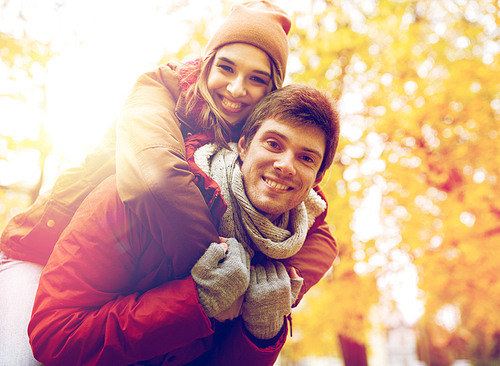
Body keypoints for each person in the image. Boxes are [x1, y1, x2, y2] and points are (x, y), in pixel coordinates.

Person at [1, 1, 336, 364]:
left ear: (270, 93)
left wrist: (269, 299)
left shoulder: (258, 142)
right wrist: (220, 275)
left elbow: (312, 214)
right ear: (207, 64)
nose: (238, 89)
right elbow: (154, 178)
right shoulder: (162, 93)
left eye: (257, 78)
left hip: (126, 278)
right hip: (43, 249)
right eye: (227, 68)